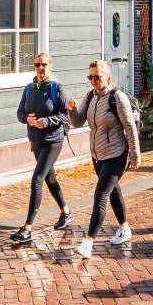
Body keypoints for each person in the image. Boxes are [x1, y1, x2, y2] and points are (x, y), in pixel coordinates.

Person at [66, 59, 143, 257]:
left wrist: (135, 155)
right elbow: (78, 122)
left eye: (97, 77)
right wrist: (72, 111)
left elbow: (130, 127)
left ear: (107, 76)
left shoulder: (117, 97)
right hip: (97, 155)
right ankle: (124, 228)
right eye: (90, 77)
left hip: (116, 154)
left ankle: (88, 242)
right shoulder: (90, 97)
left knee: (100, 196)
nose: (93, 80)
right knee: (113, 191)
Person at [12, 52, 71, 243]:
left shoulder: (56, 88)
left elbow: (65, 115)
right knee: (49, 178)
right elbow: (20, 112)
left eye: (44, 64)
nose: (40, 68)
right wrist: (26, 119)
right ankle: (66, 212)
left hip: (53, 141)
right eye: (37, 65)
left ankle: (27, 228)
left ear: (50, 65)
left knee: (37, 179)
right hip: (36, 141)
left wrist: (46, 121)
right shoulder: (29, 88)